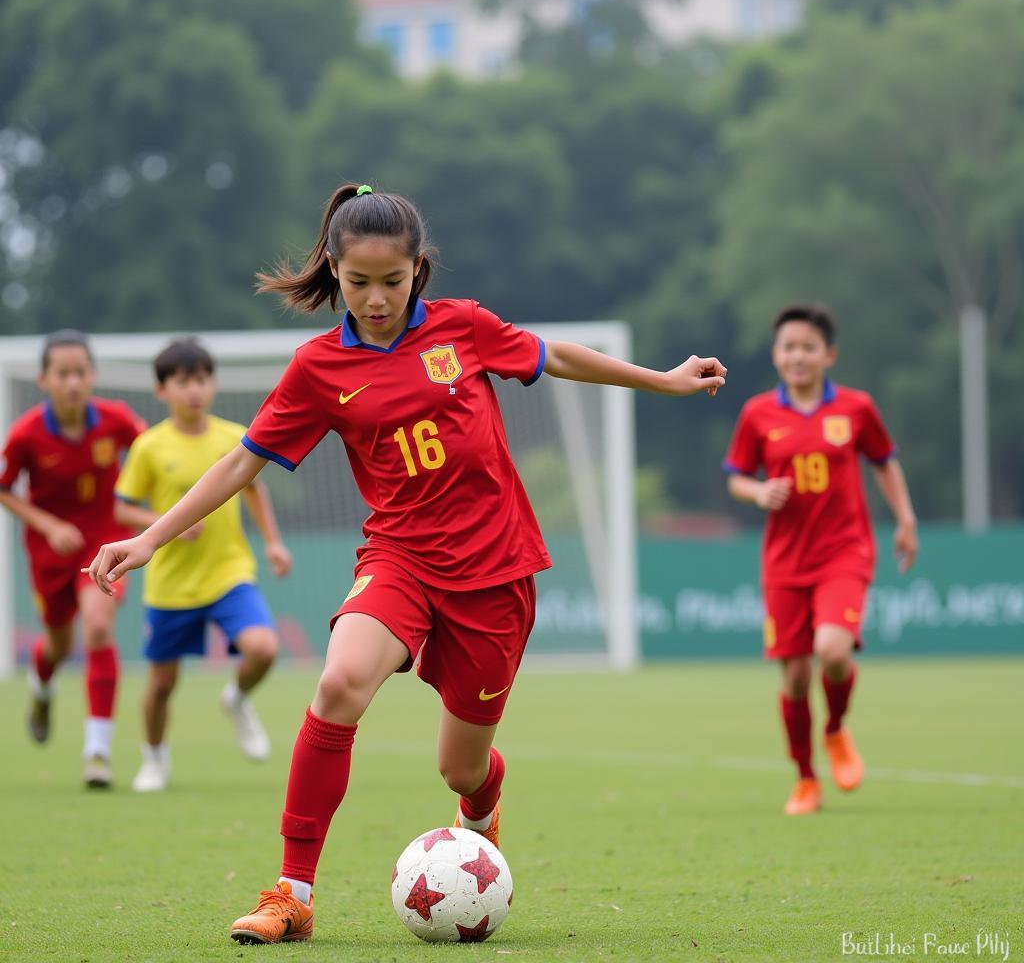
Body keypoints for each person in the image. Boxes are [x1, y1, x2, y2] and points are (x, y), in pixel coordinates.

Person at [86, 183, 727, 944]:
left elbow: (557, 358)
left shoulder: (464, 328)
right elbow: (239, 465)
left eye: (393, 282)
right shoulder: (319, 367)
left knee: (460, 768)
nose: (376, 297)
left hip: (496, 573)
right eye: (358, 283)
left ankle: (481, 809)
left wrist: (663, 378)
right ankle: (292, 894)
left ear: (418, 270)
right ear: (335, 268)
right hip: (399, 558)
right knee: (338, 683)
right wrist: (150, 538)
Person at [723, 303, 918, 816]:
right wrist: (758, 492)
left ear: (828, 354)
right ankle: (806, 778)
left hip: (844, 552)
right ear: (776, 355)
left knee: (832, 651)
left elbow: (884, 462)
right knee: (794, 678)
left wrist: (906, 519)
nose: (798, 356)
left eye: (808, 347)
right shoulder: (758, 414)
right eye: (789, 347)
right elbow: (737, 476)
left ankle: (834, 729)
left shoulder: (855, 408)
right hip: (785, 561)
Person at [113, 338, 293, 793]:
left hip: (228, 572)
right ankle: (154, 759)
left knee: (264, 648)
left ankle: (236, 698)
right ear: (162, 390)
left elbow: (254, 488)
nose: (194, 390)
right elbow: (122, 508)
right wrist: (163, 524)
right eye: (182, 381)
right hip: (171, 584)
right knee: (161, 684)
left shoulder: (234, 436)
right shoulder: (149, 446)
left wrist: (273, 543)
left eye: (202, 379)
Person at [0, 329, 145, 787]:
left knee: (98, 625)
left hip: (106, 538)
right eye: (62, 374)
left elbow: (151, 456)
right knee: (60, 646)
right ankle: (42, 689)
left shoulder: (116, 420)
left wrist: (155, 514)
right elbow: (4, 489)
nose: (72, 382)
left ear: (92, 375)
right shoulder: (24, 434)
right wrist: (48, 526)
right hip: (50, 551)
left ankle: (97, 753)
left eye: (80, 372)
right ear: (44, 379)